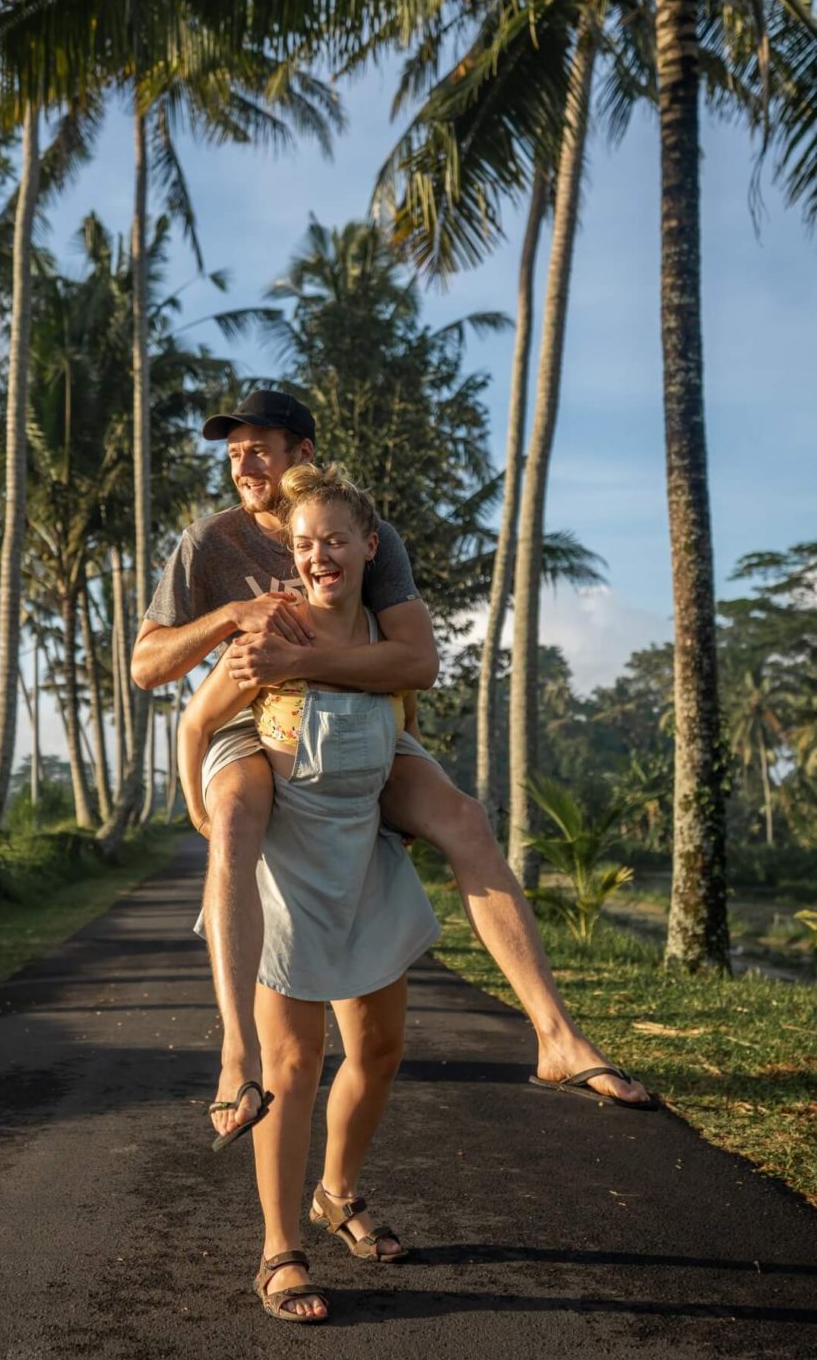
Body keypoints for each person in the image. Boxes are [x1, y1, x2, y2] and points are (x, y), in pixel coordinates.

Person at [132, 389, 654, 1138]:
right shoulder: (209, 544)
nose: (244, 465)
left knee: (464, 819)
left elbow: (417, 661)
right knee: (238, 818)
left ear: (302, 454)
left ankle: (555, 1036)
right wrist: (230, 618)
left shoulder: (364, 535)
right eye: (233, 452)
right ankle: (236, 1053)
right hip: (251, 719)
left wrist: (305, 657)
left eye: (259, 448)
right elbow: (149, 667)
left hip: (359, 715)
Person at [179, 462, 441, 1323]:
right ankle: (279, 1251)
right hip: (286, 870)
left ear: (370, 546)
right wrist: (202, 809)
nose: (319, 556)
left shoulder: (387, 633)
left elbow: (415, 691)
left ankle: (338, 1193)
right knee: (293, 1068)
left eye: (334, 540)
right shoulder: (272, 626)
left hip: (363, 859)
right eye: (303, 545)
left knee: (380, 1050)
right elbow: (195, 720)